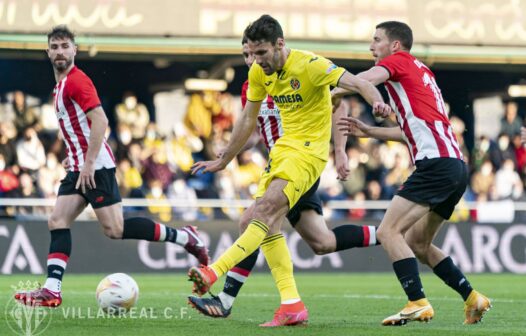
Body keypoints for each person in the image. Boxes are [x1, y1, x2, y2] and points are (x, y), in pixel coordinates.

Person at [188, 14, 390, 327]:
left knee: (259, 215)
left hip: (307, 156)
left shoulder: (311, 65)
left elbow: (357, 85)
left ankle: (214, 275)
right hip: (280, 155)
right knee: (316, 241)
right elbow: (246, 120)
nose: (255, 61)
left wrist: (376, 105)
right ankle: (293, 303)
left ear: (280, 44)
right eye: (250, 54)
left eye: (261, 53)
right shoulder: (257, 74)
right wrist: (225, 158)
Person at [14, 25, 209, 308]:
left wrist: (89, 162)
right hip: (80, 165)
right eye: (54, 47)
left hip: (95, 167)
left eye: (64, 46)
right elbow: (77, 127)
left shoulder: (77, 81)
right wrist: (75, 156)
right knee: (57, 220)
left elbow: (101, 121)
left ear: (74, 50)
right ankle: (52, 290)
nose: (59, 51)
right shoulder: (61, 86)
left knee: (115, 229)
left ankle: (184, 236)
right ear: (48, 52)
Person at [335, 21, 491, 326]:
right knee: (419, 243)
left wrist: (334, 88)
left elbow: (367, 78)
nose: (371, 46)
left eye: (376, 40)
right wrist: (370, 131)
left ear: (395, 45)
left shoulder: (398, 62)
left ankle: (417, 301)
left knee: (387, 232)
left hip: (435, 164)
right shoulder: (422, 72)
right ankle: (473, 298)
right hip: (455, 166)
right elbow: (413, 132)